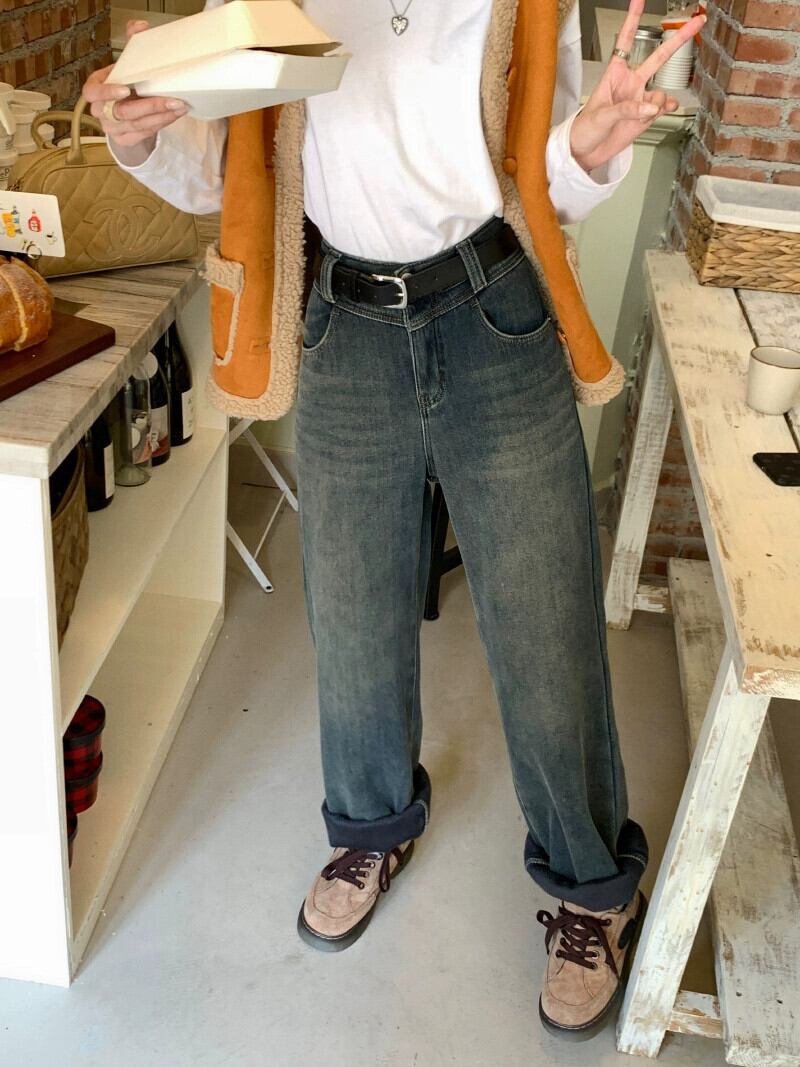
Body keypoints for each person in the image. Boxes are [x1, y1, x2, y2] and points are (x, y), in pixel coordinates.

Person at [84, 0, 703, 1041]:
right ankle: (370, 827)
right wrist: (138, 134)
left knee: (544, 620)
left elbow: (541, 173)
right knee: (352, 609)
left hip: (494, 309)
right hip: (346, 322)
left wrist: (591, 148)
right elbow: (230, 165)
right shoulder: (274, 5)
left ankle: (592, 885)